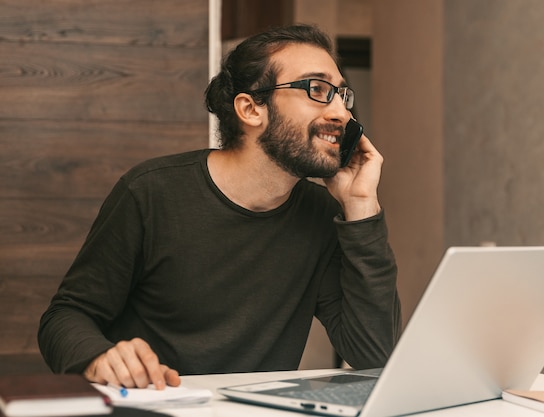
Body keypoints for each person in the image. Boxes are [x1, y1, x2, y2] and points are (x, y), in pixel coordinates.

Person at [38, 24, 401, 390]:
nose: (342, 113)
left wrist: (361, 207)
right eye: (318, 89)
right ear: (250, 109)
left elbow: (374, 354)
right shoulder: (150, 192)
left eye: (342, 94)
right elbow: (65, 317)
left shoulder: (321, 214)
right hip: (154, 407)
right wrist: (100, 358)